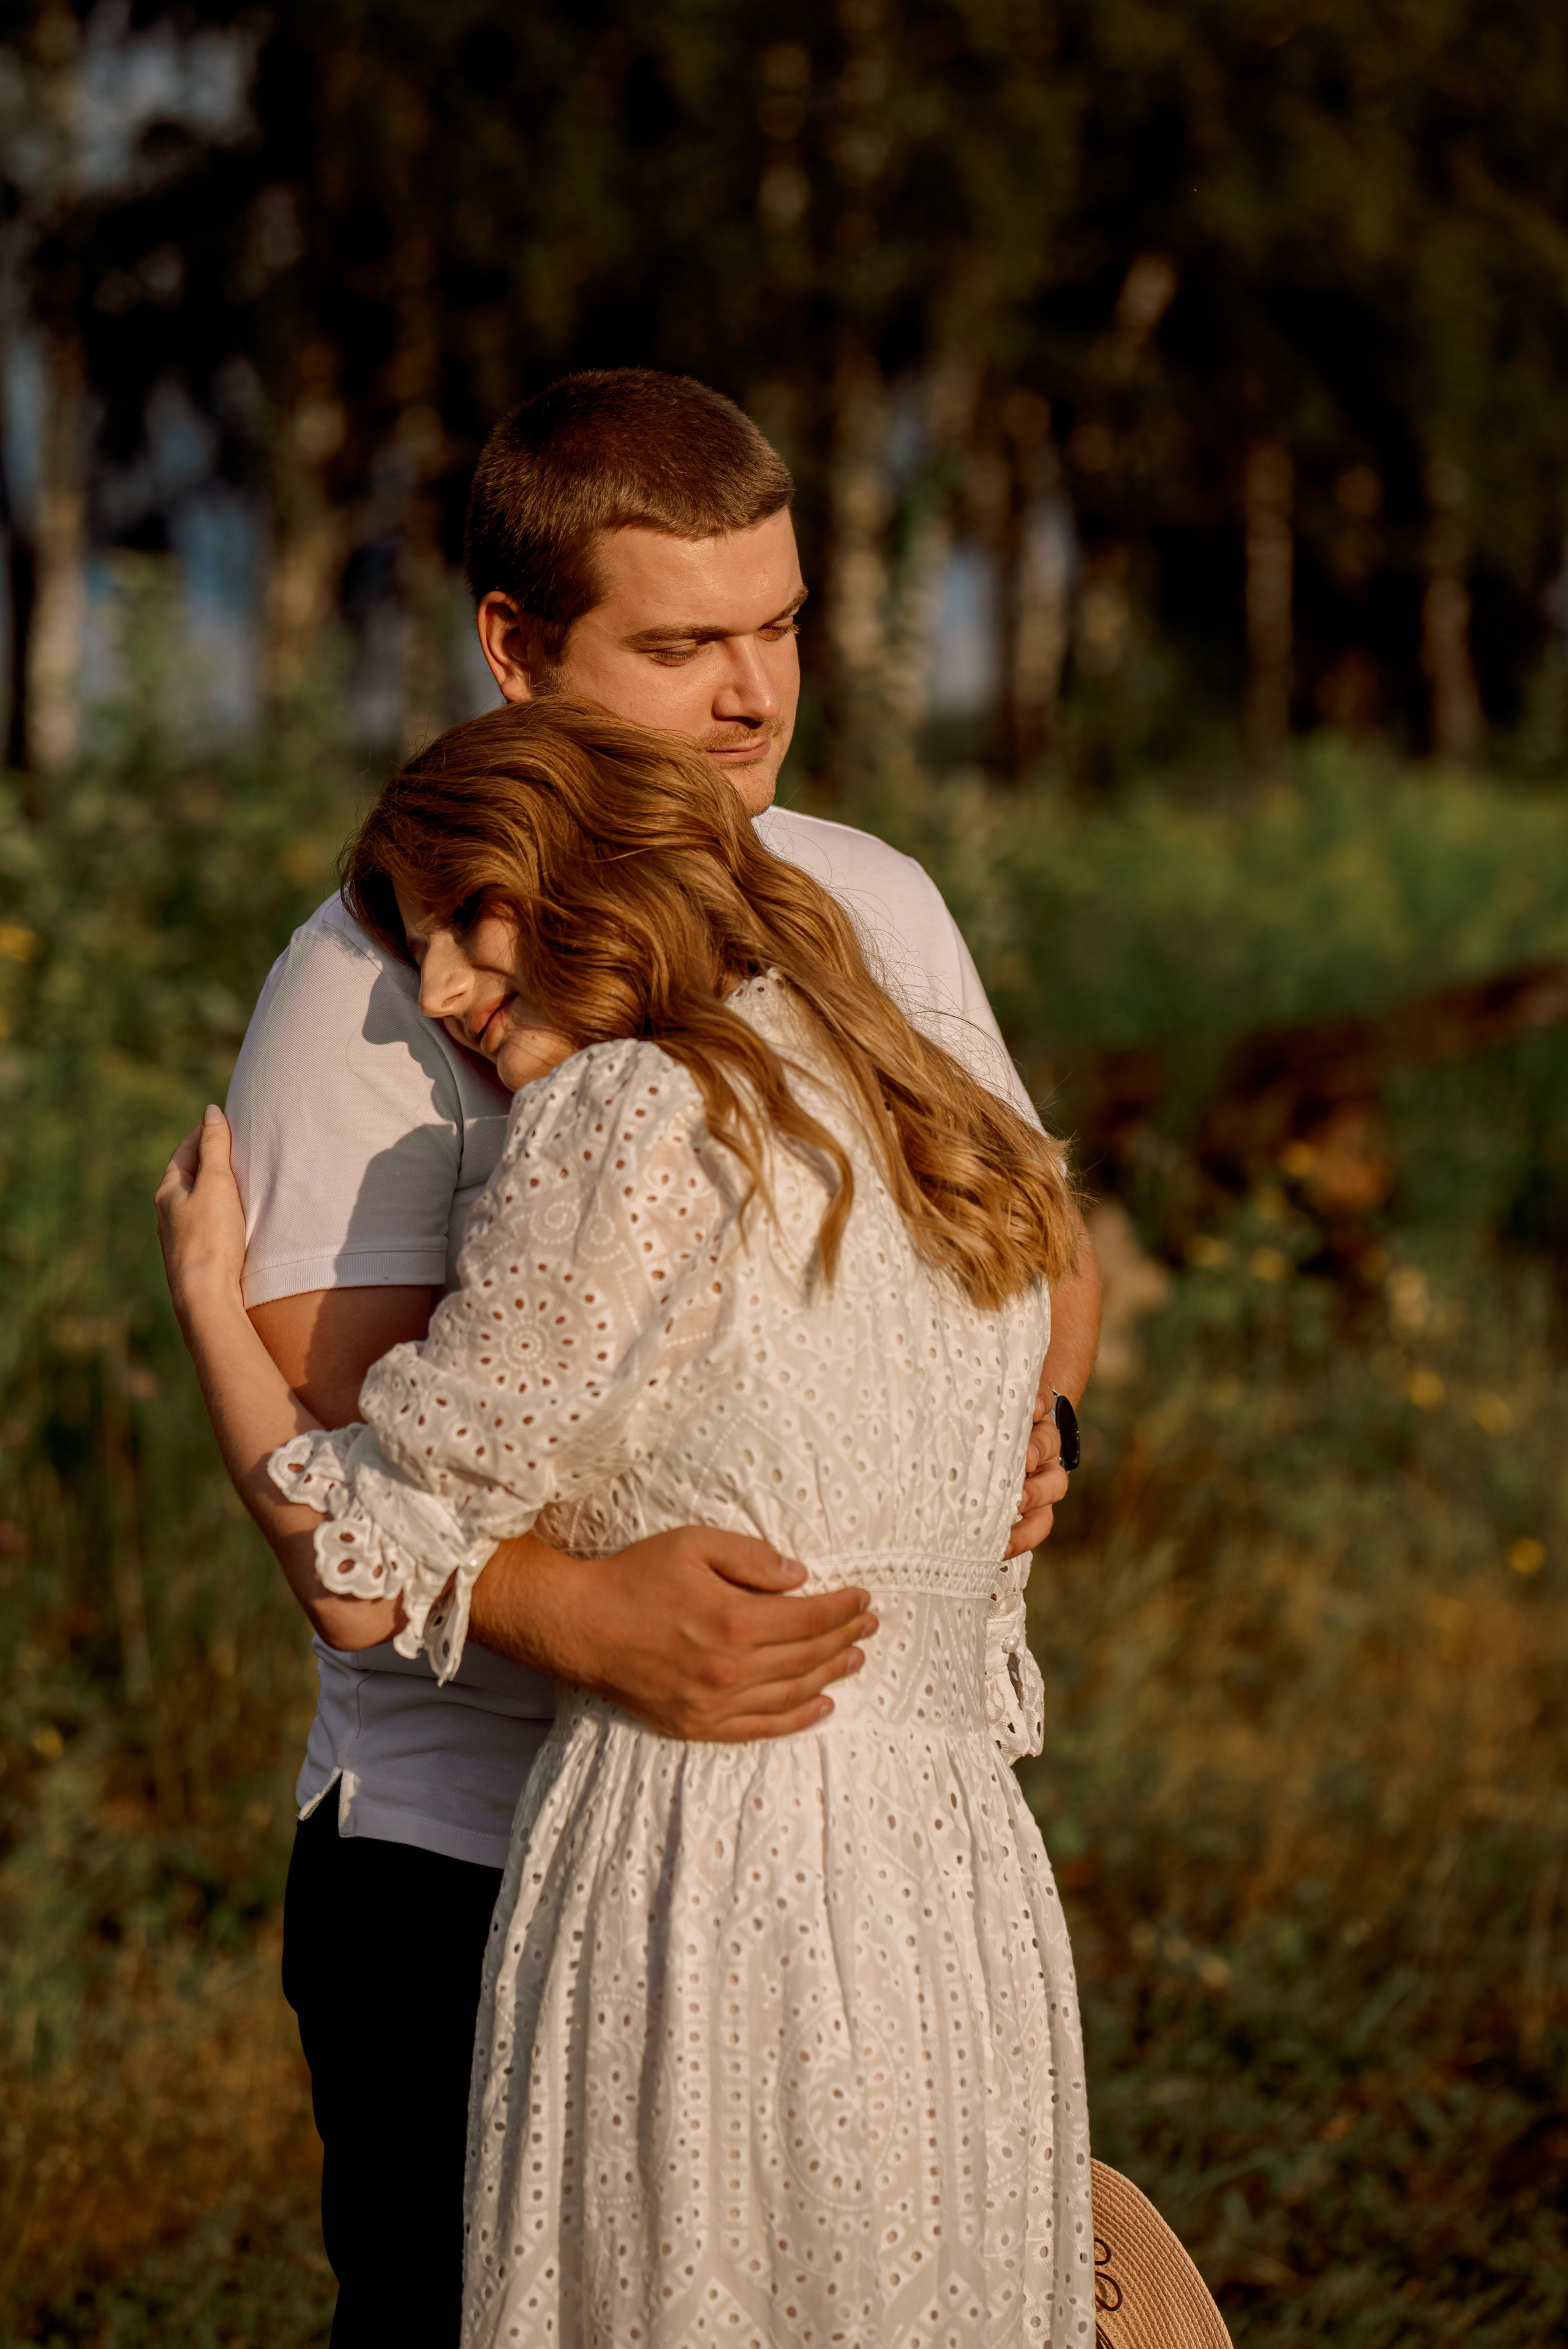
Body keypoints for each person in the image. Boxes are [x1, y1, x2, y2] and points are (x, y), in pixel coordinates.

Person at [224, 369, 1102, 2342]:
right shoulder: (383, 974)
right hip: (480, 1864)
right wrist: (580, 1616)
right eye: (681, 642)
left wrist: (1035, 1419)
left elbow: (1034, 1234)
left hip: (854, 1864)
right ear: (516, 649)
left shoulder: (870, 894)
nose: (754, 696)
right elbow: (327, 1416)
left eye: (779, 625)